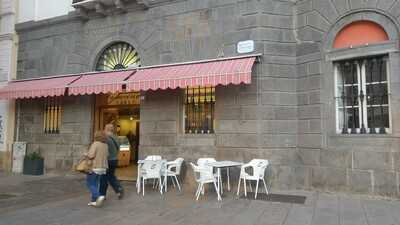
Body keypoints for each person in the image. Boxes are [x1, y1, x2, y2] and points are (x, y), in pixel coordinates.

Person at [84, 130, 109, 207]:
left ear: (96, 136)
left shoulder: (95, 144)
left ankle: (99, 196)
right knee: (95, 184)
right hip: (103, 168)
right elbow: (108, 155)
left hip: (95, 167)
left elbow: (91, 155)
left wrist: (86, 154)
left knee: (90, 183)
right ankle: (93, 201)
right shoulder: (105, 145)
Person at [100, 123, 124, 199]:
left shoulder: (105, 138)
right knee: (111, 176)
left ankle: (102, 195)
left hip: (107, 160)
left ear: (106, 129)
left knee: (103, 178)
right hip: (115, 160)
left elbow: (103, 149)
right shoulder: (116, 137)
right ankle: (118, 189)